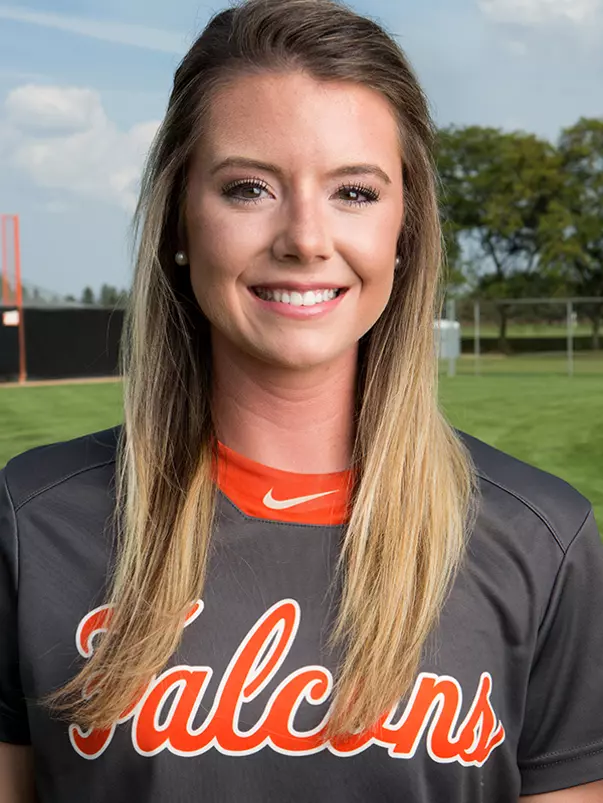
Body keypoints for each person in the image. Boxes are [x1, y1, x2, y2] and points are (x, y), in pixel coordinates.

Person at [1, 0, 602, 800]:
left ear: (404, 228)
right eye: (248, 187)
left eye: (354, 192)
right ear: (181, 218)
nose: (305, 238)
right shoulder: (30, 525)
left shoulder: (543, 543)